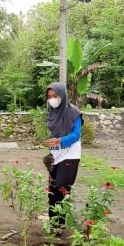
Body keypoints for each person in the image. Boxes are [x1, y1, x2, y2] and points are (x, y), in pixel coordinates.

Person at [43, 82, 82, 229]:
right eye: (49, 97)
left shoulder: (73, 112)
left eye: (55, 96)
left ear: (62, 95)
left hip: (70, 155)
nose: (52, 99)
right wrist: (47, 141)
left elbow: (76, 135)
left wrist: (59, 140)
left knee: (61, 188)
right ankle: (53, 222)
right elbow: (50, 133)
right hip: (55, 155)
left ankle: (61, 222)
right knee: (52, 189)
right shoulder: (51, 113)